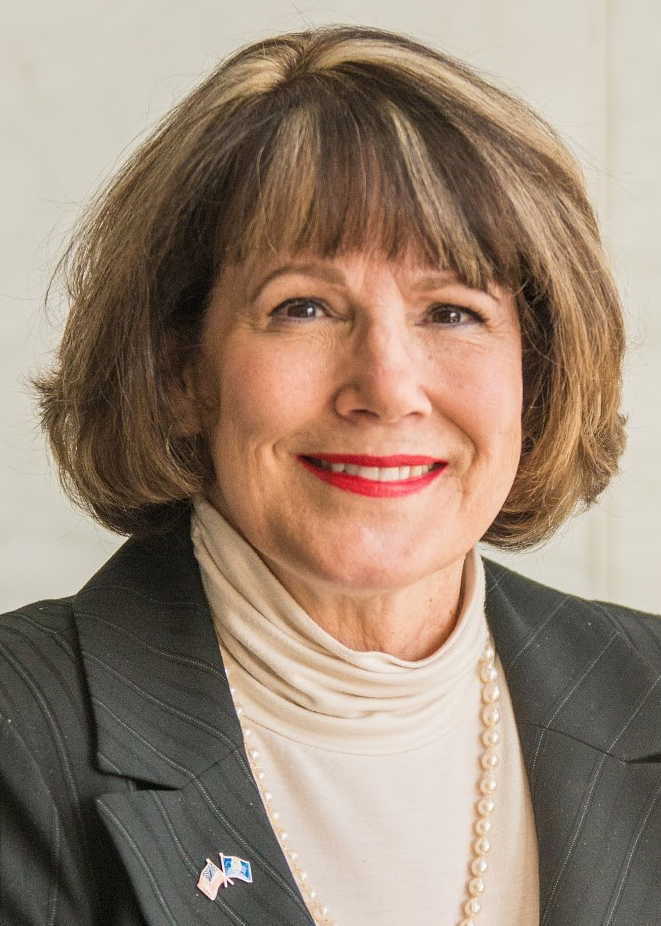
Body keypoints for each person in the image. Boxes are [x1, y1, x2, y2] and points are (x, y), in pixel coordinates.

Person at [1, 23, 659, 926]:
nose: (387, 387)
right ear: (181, 370)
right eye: (302, 307)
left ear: (534, 371)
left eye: (452, 312)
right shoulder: (21, 737)